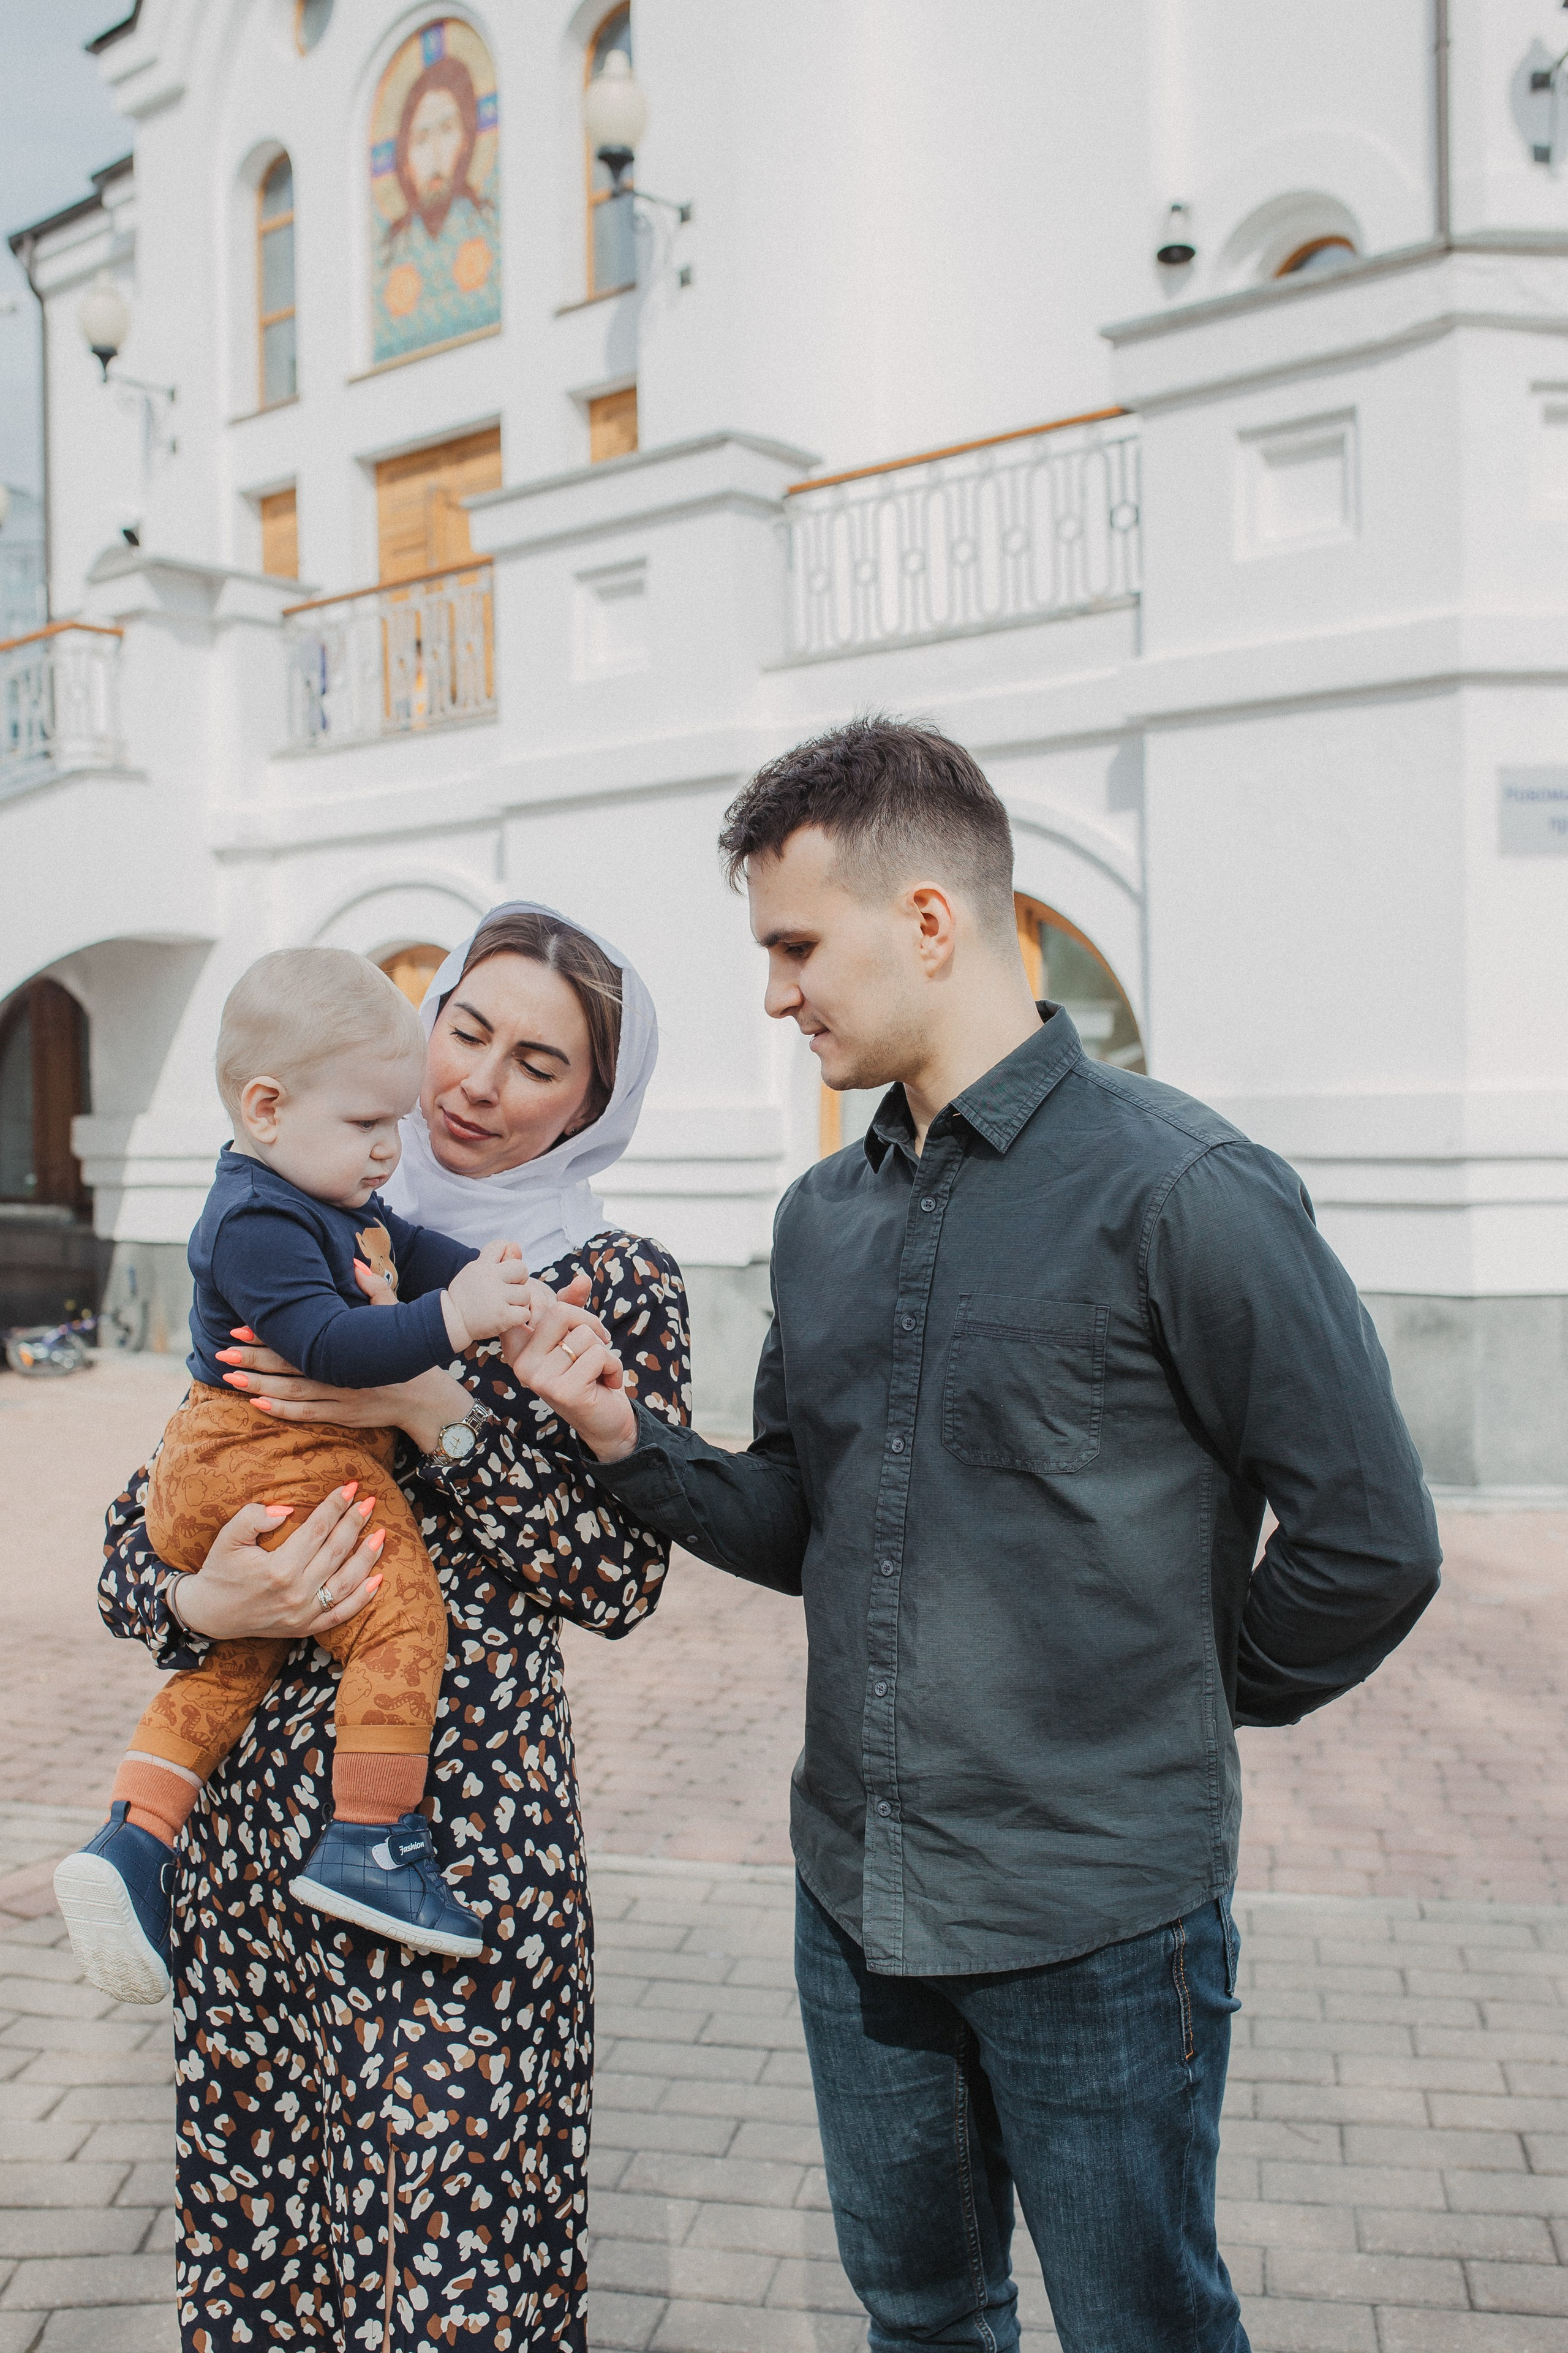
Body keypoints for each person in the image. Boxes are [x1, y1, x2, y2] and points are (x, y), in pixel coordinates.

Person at [514, 722, 1444, 2353]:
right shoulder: (821, 1219)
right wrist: (624, 1443)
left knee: (1140, 2324)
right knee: (923, 2318)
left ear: (929, 921)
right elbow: (802, 1515)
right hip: (852, 1900)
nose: (776, 992)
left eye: (797, 945)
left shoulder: (1189, 1190)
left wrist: (1168, 1696)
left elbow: (1372, 1541)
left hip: (1098, 1918)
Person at [96, 904, 689, 2353]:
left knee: (460, 2289)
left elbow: (614, 1579)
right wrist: (197, 1602)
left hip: (461, 1862)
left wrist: (434, 1409)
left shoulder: (608, 1291)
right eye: (465, 1031)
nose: (478, 1083)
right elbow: (138, 1532)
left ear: (591, 1105)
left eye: (538, 1062)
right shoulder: (294, 1228)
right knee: (261, 2274)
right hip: (250, 1869)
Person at [58, 948, 552, 1995]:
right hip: (264, 1451)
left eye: (395, 1124)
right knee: (401, 1609)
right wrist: (457, 1325)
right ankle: (370, 1838)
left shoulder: (326, 1193)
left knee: (240, 1659)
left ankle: (136, 1840)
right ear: (268, 1106)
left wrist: (481, 1278)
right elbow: (332, 1346)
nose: (390, 1148)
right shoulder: (258, 1216)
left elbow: (406, 1247)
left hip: (245, 1463)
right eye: (370, 1124)